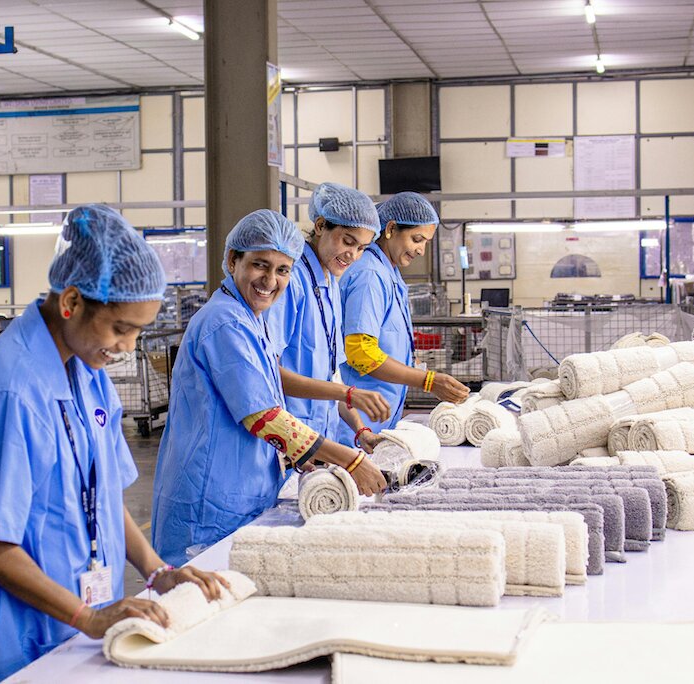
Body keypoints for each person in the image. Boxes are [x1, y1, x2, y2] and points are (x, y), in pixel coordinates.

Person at [0, 205, 228, 684]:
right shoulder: (10, 389)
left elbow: (103, 496)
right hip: (33, 633)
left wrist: (157, 571)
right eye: (121, 329)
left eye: (138, 331)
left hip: (93, 616)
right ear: (72, 302)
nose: (127, 347)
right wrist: (87, 617)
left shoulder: (87, 369)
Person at [152, 209, 387, 567]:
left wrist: (303, 454)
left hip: (242, 491)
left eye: (283, 270)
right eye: (260, 265)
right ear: (232, 260)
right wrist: (349, 459)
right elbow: (264, 417)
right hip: (209, 502)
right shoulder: (224, 323)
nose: (270, 280)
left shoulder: (251, 319)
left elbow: (264, 396)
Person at [266, 183, 392, 455]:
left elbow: (331, 377)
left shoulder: (330, 284)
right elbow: (267, 374)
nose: (353, 255)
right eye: (348, 241)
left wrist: (361, 431)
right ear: (321, 225)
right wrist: (348, 394)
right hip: (285, 439)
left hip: (318, 439)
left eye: (362, 248)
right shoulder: (291, 281)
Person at [337, 192, 470, 444]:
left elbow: (389, 341)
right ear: (390, 229)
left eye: (426, 242)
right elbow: (360, 352)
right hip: (357, 423)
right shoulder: (369, 275)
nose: (421, 250)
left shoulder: (390, 273)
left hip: (378, 417)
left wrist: (418, 366)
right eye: (417, 239)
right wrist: (428, 381)